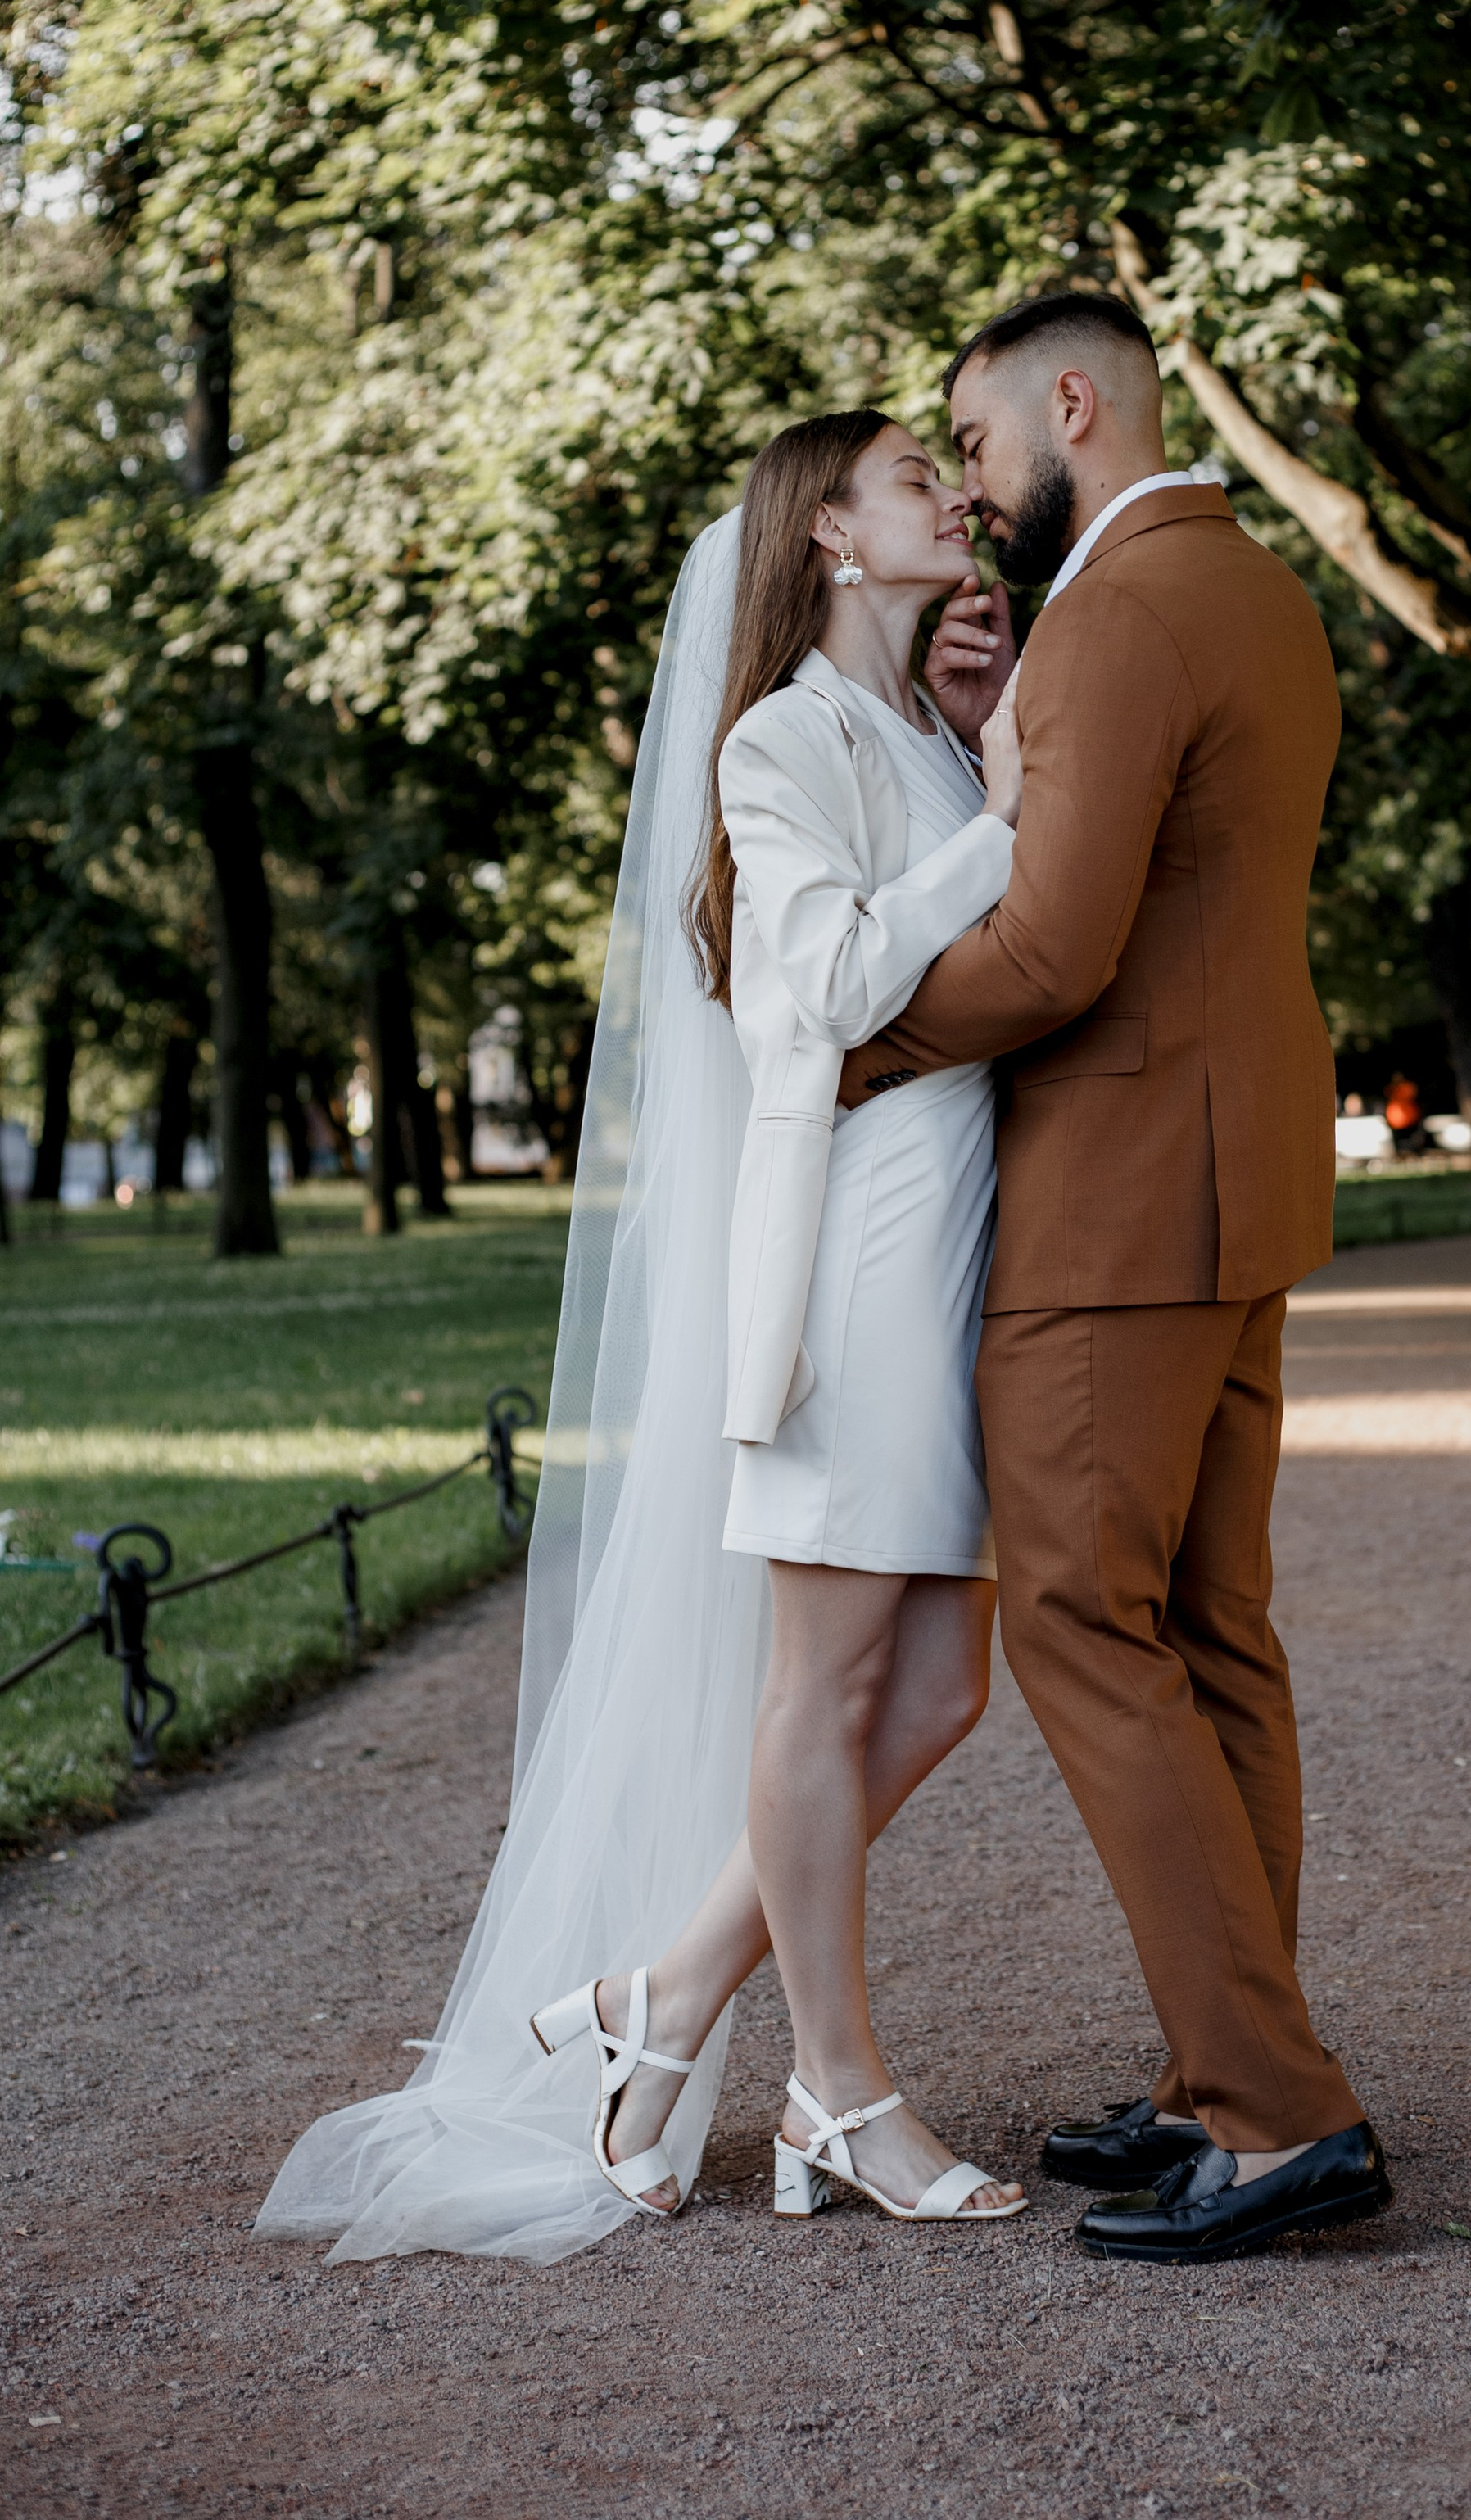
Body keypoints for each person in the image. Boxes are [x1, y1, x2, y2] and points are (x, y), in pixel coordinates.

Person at [256, 412, 1028, 2260]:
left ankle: (665, 1995)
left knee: (934, 1690)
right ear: (830, 534)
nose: (955, 496)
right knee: (830, 1692)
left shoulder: (913, 725)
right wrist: (996, 829)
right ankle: (836, 2093)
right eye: (918, 477)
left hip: (938, 1252)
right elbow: (823, 988)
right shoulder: (778, 738)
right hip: (846, 1264)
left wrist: (982, 752)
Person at [844, 287, 1390, 2264]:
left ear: (1073, 402)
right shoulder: (1255, 587)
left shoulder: (1116, 611)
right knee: (1214, 1638)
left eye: (978, 448)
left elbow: (1059, 951)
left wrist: (849, 1048)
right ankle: (1211, 2075)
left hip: (1116, 1205)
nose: (975, 495)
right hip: (1239, 1195)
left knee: (1086, 1628)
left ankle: (1269, 2107)